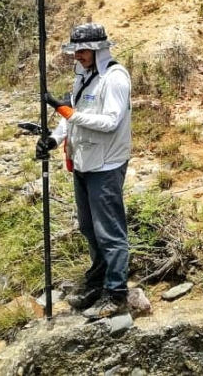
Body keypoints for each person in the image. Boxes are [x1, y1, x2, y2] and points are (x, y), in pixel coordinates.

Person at [41, 22, 132, 320]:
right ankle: (99, 278)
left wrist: (66, 110)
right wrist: (54, 139)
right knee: (88, 227)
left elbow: (110, 122)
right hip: (82, 161)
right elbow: (72, 118)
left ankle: (116, 293)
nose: (76, 56)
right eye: (75, 50)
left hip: (106, 165)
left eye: (81, 50)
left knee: (110, 232)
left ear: (97, 49)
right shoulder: (83, 76)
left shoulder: (115, 78)